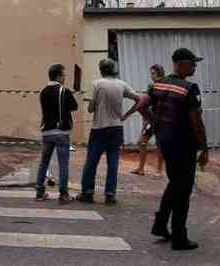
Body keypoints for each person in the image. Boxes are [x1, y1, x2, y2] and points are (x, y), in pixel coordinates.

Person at [149, 48, 209, 251]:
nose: (194, 67)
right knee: (183, 190)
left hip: (165, 142)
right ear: (181, 64)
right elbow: (197, 121)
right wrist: (204, 147)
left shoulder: (159, 84)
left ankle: (160, 224)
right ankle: (179, 237)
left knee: (175, 183)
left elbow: (143, 105)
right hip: (184, 145)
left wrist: (154, 126)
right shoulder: (189, 88)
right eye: (192, 63)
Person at [76, 59, 140, 205]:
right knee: (113, 162)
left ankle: (88, 192)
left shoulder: (97, 84)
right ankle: (110, 194)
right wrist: (126, 115)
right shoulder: (122, 84)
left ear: (101, 70)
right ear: (113, 69)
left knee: (92, 161)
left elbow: (91, 108)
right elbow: (139, 99)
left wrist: (94, 105)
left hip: (99, 128)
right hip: (116, 128)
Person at [35, 64, 79, 203]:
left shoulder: (43, 91)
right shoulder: (64, 91)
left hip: (47, 131)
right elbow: (74, 106)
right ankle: (63, 194)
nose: (65, 77)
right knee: (63, 163)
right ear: (58, 76)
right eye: (64, 75)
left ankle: (40, 192)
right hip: (61, 131)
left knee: (44, 162)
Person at [122, 64, 166, 177]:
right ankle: (141, 168)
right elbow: (140, 102)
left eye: (153, 74)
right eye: (151, 74)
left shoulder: (163, 87)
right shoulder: (152, 87)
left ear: (160, 73)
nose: (151, 76)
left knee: (160, 144)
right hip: (151, 121)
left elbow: (141, 103)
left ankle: (159, 170)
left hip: (161, 121)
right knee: (141, 142)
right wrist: (127, 115)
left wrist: (126, 115)